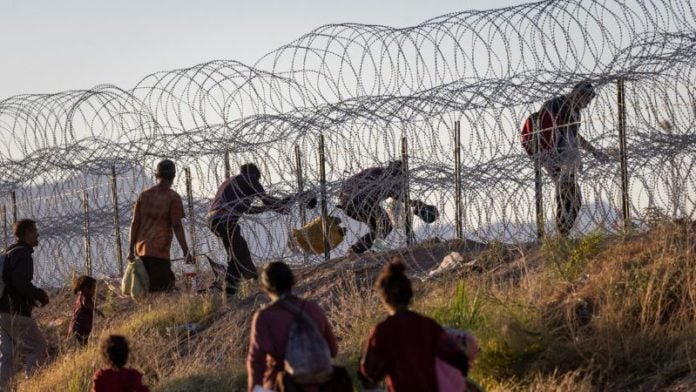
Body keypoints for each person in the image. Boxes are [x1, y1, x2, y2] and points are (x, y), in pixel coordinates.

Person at [358, 259, 469, 392]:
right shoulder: (427, 325)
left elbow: (370, 372)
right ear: (409, 294)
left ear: (384, 298)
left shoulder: (383, 331)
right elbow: (458, 359)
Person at [246, 262, 340, 392]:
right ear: (291, 281)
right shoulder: (313, 309)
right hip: (320, 385)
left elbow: (257, 362)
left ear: (265, 287)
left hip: (283, 385)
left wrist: (253, 388)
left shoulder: (265, 317)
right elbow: (333, 350)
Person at [538, 81, 610, 236]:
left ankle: (562, 236)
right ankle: (562, 236)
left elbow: (575, 136)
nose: (587, 104)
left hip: (567, 162)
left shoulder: (575, 112)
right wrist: (549, 162)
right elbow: (542, 132)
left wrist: (594, 151)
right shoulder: (555, 105)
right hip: (553, 158)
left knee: (572, 200)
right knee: (569, 198)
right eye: (587, 100)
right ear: (578, 94)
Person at [207, 163, 290, 297]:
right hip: (226, 220)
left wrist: (275, 206)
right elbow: (266, 199)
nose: (258, 183)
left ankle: (252, 278)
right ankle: (229, 293)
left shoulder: (234, 183)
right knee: (235, 256)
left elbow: (250, 210)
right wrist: (282, 203)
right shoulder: (250, 179)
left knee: (241, 248)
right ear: (255, 175)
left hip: (215, 220)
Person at [127, 159, 194, 292]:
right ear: (173, 176)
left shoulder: (144, 195)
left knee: (146, 292)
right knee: (162, 292)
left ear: (156, 175)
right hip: (159, 252)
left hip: (141, 251)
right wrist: (186, 251)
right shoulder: (172, 197)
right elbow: (177, 226)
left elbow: (134, 224)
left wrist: (130, 250)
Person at [0, 219, 50, 387]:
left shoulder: (9, 252)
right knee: (38, 347)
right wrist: (39, 295)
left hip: (2, 311)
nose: (38, 235)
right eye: (35, 231)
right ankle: (34, 385)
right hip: (16, 311)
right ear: (27, 233)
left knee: (9, 354)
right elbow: (20, 283)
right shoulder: (22, 254)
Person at [338, 161, 424, 254]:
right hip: (359, 201)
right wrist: (415, 203)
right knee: (385, 226)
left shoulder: (377, 173)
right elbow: (399, 196)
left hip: (346, 201)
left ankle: (358, 250)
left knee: (381, 227)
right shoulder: (388, 179)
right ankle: (372, 250)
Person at [69, 275, 102, 346]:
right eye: (93, 288)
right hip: (79, 328)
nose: (94, 291)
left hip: (79, 327)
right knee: (82, 345)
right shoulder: (85, 297)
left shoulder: (81, 296)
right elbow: (86, 304)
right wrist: (97, 312)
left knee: (83, 345)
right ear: (86, 288)